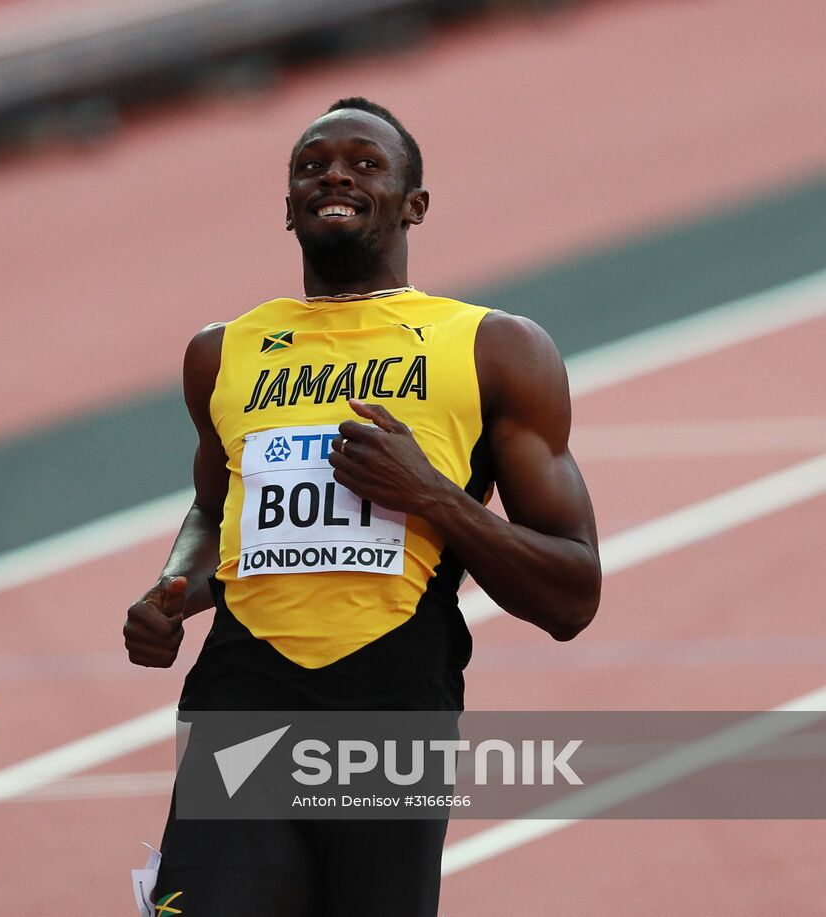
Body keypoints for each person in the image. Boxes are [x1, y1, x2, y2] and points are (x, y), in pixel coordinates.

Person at [123, 98, 601, 915]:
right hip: (243, 694)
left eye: (365, 162)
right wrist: (171, 588)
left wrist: (432, 497)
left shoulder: (495, 346)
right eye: (311, 164)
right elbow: (214, 511)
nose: (335, 173)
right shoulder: (223, 351)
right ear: (287, 207)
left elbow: (572, 593)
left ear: (414, 204)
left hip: (391, 702)